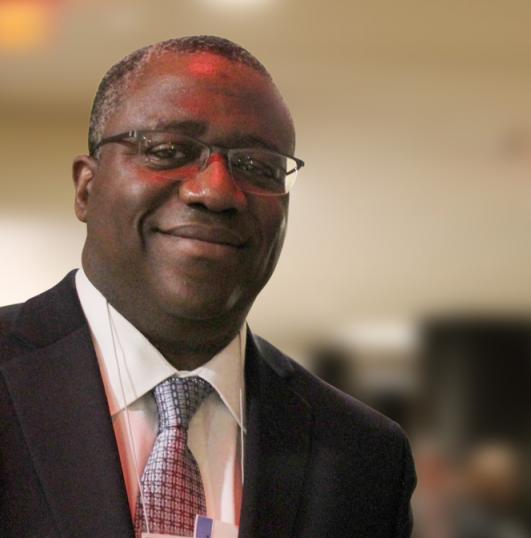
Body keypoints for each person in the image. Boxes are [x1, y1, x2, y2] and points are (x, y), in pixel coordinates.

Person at [0, 35, 416, 538]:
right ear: (86, 188)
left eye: (257, 166)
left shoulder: (363, 456)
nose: (216, 191)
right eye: (169, 151)